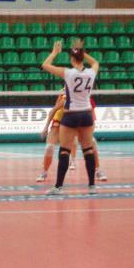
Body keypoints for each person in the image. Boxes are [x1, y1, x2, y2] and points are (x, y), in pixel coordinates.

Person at [42, 41, 99, 195]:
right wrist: (82, 52)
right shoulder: (91, 72)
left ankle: (58, 187)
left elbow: (45, 65)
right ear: (82, 57)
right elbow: (95, 62)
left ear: (72, 59)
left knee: (64, 151)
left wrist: (54, 52)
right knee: (88, 150)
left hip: (71, 114)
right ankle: (92, 186)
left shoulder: (68, 73)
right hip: (86, 114)